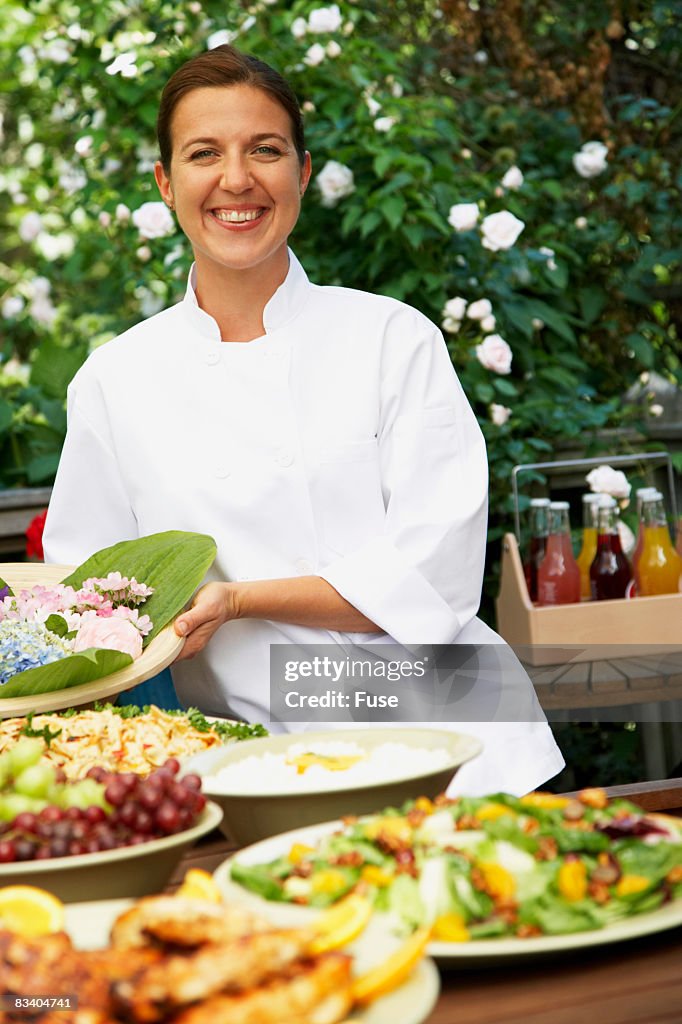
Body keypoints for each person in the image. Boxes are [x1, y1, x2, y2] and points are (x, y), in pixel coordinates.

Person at [43, 45, 564, 795]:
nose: (236, 179)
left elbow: (436, 578)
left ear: (302, 174)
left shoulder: (392, 338)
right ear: (166, 183)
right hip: (248, 767)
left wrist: (243, 598)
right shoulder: (114, 381)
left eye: (265, 150)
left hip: (462, 745)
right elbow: (87, 597)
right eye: (202, 154)